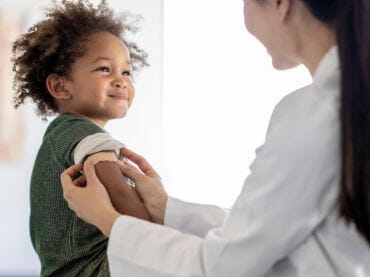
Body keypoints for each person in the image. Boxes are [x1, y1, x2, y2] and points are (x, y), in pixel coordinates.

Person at [61, 0, 370, 276]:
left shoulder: (311, 114)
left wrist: (106, 219)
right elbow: (265, 233)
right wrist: (167, 208)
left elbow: (219, 267)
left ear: (280, 3)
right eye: (103, 69)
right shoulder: (337, 103)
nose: (120, 81)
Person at [12, 0, 152, 275]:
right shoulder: (81, 131)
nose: (121, 80)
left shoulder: (64, 134)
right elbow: (120, 193)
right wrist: (161, 240)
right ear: (60, 86)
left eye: (126, 72)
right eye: (104, 69)